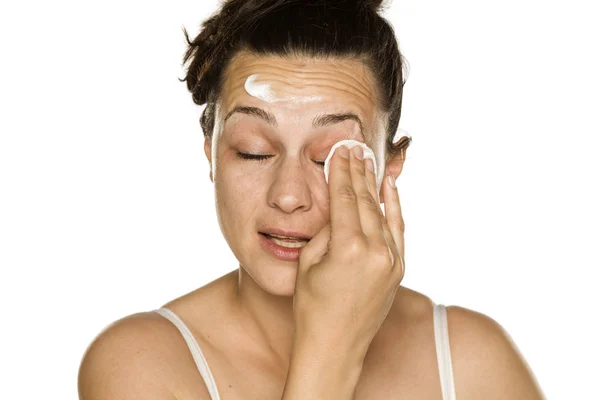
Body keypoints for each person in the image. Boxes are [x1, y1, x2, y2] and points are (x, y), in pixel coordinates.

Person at [78, 0, 545, 398]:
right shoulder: (139, 363)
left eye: (328, 158)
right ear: (211, 154)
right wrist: (329, 351)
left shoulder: (474, 361)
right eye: (253, 151)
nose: (288, 195)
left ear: (391, 166)